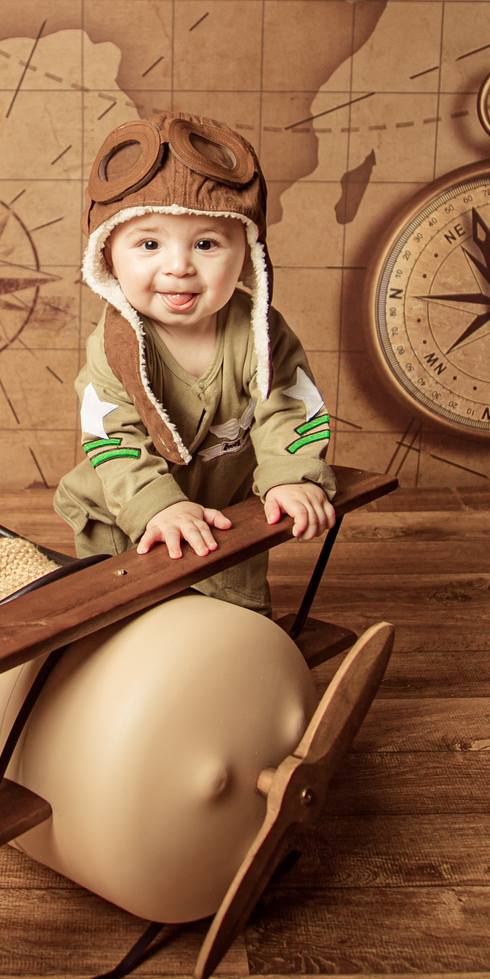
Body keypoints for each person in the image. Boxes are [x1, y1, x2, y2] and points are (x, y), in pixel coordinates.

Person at [54, 111, 337, 614]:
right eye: (149, 243)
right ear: (109, 256)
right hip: (124, 514)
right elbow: (112, 434)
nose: (179, 265)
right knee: (119, 618)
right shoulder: (115, 345)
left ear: (246, 254)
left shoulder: (259, 331)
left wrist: (292, 475)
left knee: (228, 618)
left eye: (206, 244)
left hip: (226, 517)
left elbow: (290, 405)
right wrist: (159, 507)